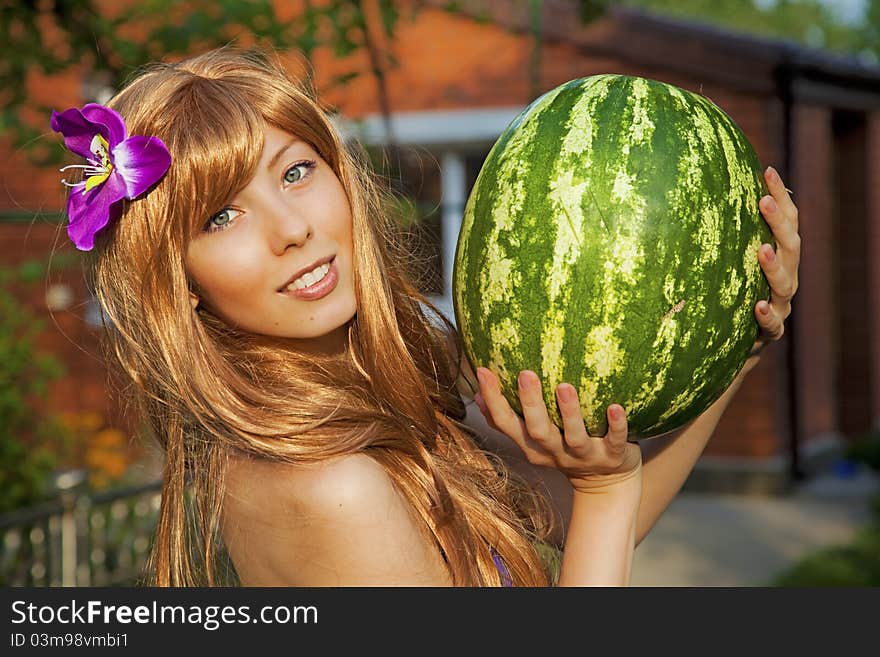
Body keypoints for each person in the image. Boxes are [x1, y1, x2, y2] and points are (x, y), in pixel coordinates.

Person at [49, 47, 800, 587]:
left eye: (297, 171)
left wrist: (738, 342)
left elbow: (562, 553)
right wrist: (605, 496)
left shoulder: (372, 407)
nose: (292, 228)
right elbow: (598, 522)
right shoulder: (325, 487)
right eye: (221, 216)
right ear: (176, 281)